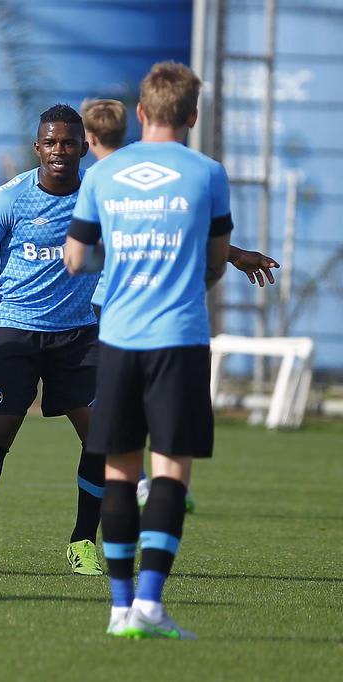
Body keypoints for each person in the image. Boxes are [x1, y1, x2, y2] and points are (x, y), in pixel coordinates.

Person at [65, 61, 234, 639]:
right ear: (190, 115)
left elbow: (76, 258)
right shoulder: (208, 173)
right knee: (170, 473)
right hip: (180, 339)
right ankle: (152, 608)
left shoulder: (105, 175)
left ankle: (118, 610)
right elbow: (217, 260)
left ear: (140, 113)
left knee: (118, 472)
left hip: (117, 338)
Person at [82, 98, 279, 512]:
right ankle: (143, 480)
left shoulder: (123, 176)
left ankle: (158, 479)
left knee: (142, 401)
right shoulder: (104, 179)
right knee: (128, 403)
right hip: (116, 306)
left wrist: (236, 254)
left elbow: (171, 229)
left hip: (137, 309)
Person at [0, 104, 106, 576]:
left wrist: (234, 253)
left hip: (78, 335)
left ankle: (83, 543)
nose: (60, 151)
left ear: (83, 147)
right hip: (16, 332)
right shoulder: (10, 198)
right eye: (51, 142)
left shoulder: (100, 197)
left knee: (101, 439)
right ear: (38, 147)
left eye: (69, 143)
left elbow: (158, 234)